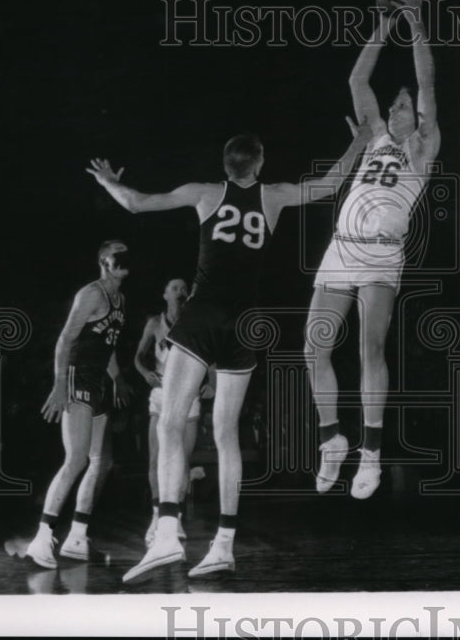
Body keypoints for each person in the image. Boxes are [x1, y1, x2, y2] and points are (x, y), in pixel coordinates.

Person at [87, 119, 371, 582]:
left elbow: (136, 204)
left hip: (203, 317)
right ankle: (223, 544)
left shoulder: (204, 193)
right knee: (226, 435)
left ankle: (166, 533)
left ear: (224, 163)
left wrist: (108, 181)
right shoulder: (274, 195)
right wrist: (359, 140)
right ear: (260, 162)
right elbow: (332, 184)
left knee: (173, 423)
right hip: (244, 324)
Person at [305, 0, 439, 500]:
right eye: (396, 104)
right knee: (313, 348)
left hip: (382, 253)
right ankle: (331, 439)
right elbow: (357, 76)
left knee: (369, 350)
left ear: (417, 117)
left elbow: (427, 77)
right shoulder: (376, 136)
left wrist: (416, 24)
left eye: (404, 105)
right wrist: (384, 24)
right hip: (341, 247)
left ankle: (372, 453)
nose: (397, 108)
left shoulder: (423, 149)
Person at [24, 239, 132, 568]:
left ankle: (77, 536)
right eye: (119, 252)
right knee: (77, 459)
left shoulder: (120, 299)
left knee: (102, 461)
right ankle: (41, 538)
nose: (126, 257)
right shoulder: (92, 293)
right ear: (104, 260)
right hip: (77, 377)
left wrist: (118, 378)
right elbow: (65, 338)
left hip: (98, 379)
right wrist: (59, 386)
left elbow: (108, 343)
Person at [134, 277, 209, 546]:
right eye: (174, 287)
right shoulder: (155, 323)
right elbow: (137, 357)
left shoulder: (194, 321)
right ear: (165, 294)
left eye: (183, 287)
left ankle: (174, 517)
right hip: (161, 395)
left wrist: (207, 381)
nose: (180, 290)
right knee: (156, 458)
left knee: (181, 459)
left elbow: (209, 356)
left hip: (188, 396)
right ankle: (156, 516)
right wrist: (145, 373)